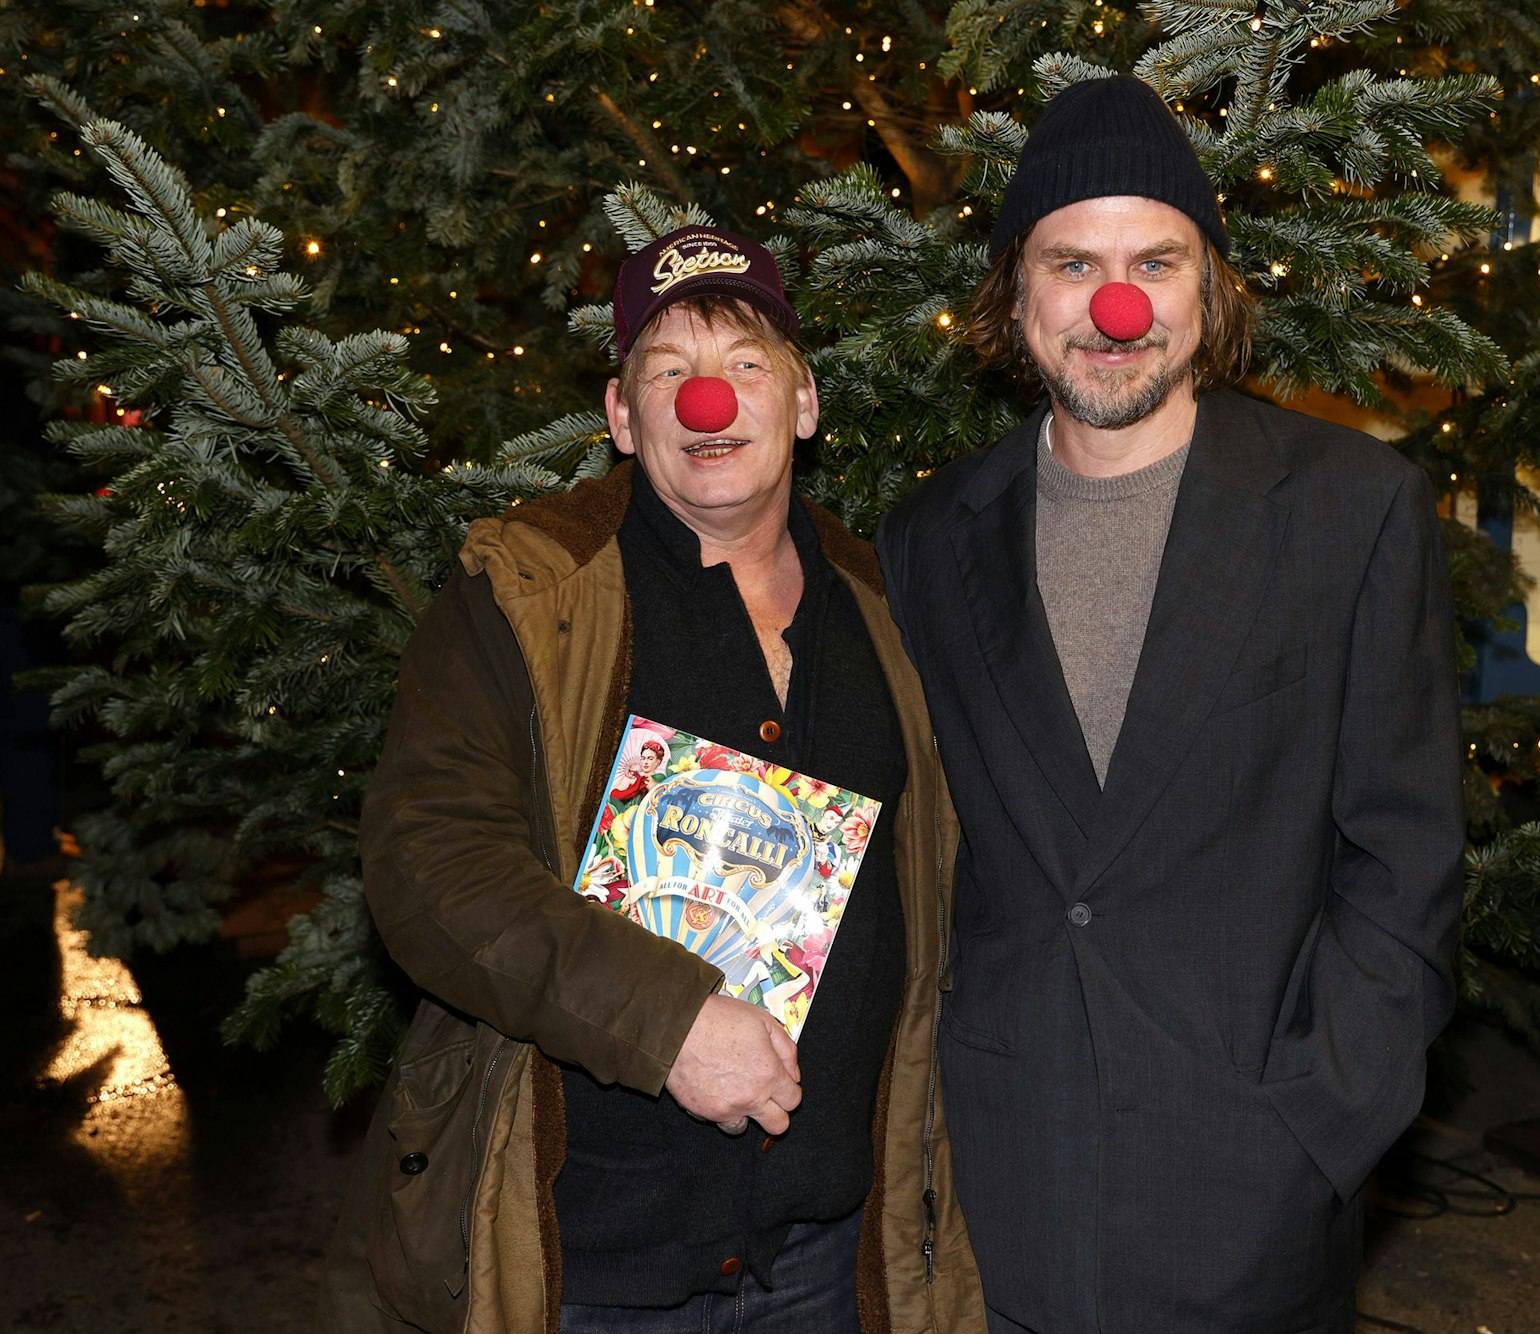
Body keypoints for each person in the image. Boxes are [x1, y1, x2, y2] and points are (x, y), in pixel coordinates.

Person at [874, 76, 1465, 1333]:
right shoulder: (931, 536)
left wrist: (1321, 1115)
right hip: (999, 1182)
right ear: (1014, 292)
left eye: (1156, 259)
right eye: (1070, 262)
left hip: (1252, 1186)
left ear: (1211, 286)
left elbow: (1405, 851)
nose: (1115, 304)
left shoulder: (1351, 509)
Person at [322, 225, 984, 1334]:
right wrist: (668, 1021)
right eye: (667, 372)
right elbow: (429, 863)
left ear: (805, 402)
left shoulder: (893, 610)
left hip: (829, 1257)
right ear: (623, 418)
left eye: (743, 365)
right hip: (588, 1267)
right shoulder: (528, 599)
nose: (706, 402)